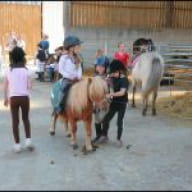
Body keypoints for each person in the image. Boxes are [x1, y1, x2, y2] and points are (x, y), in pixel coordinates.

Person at [3, 47, 34, 153]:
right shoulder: (26, 70)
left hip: (13, 98)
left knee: (15, 121)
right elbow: (29, 86)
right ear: (22, 58)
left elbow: (5, 86)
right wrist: (29, 81)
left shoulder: (8, 70)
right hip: (25, 98)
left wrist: (5, 98)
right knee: (26, 119)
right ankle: (28, 141)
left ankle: (17, 145)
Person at [98, 59, 129, 147]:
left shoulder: (124, 80)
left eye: (114, 72)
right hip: (114, 103)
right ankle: (104, 136)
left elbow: (122, 93)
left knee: (119, 122)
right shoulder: (112, 77)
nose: (112, 74)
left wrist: (111, 94)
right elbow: (106, 80)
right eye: (112, 72)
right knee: (106, 119)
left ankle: (119, 139)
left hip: (122, 104)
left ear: (119, 71)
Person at [56, 35, 83, 113]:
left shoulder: (77, 57)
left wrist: (79, 76)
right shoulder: (64, 58)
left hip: (77, 79)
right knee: (64, 89)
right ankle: (60, 106)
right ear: (71, 48)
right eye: (78, 47)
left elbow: (79, 68)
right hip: (67, 79)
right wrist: (70, 77)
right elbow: (61, 70)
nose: (79, 49)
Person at [91, 58, 110, 144]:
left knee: (105, 118)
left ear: (106, 67)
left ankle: (104, 135)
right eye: (98, 66)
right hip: (96, 102)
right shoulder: (94, 77)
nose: (100, 68)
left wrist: (107, 100)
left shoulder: (109, 78)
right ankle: (98, 135)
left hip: (105, 101)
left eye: (102, 67)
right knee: (97, 119)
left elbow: (112, 91)